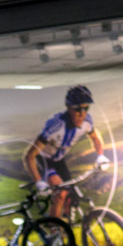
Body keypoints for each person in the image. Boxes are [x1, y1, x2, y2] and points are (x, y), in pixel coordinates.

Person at [23, 85, 110, 218]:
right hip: (43, 159)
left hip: (59, 160)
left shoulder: (87, 121)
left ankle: (65, 228)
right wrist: (39, 181)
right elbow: (29, 156)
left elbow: (95, 137)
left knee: (71, 195)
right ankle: (54, 231)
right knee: (61, 194)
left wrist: (100, 155)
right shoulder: (56, 125)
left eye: (86, 108)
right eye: (77, 109)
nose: (82, 114)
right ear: (69, 108)